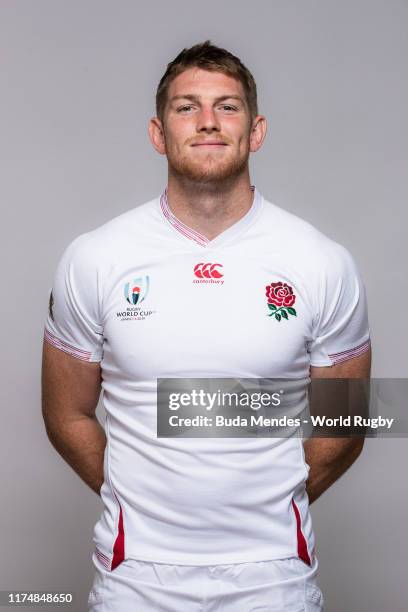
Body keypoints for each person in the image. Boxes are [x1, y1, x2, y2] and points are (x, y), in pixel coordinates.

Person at [41, 40, 371, 611]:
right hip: (135, 577)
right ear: (158, 132)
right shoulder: (95, 257)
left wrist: (277, 503)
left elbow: (346, 421)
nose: (208, 122)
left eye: (228, 106)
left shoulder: (322, 262)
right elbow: (65, 411)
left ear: (257, 129)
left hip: (274, 578)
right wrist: (135, 503)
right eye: (187, 106)